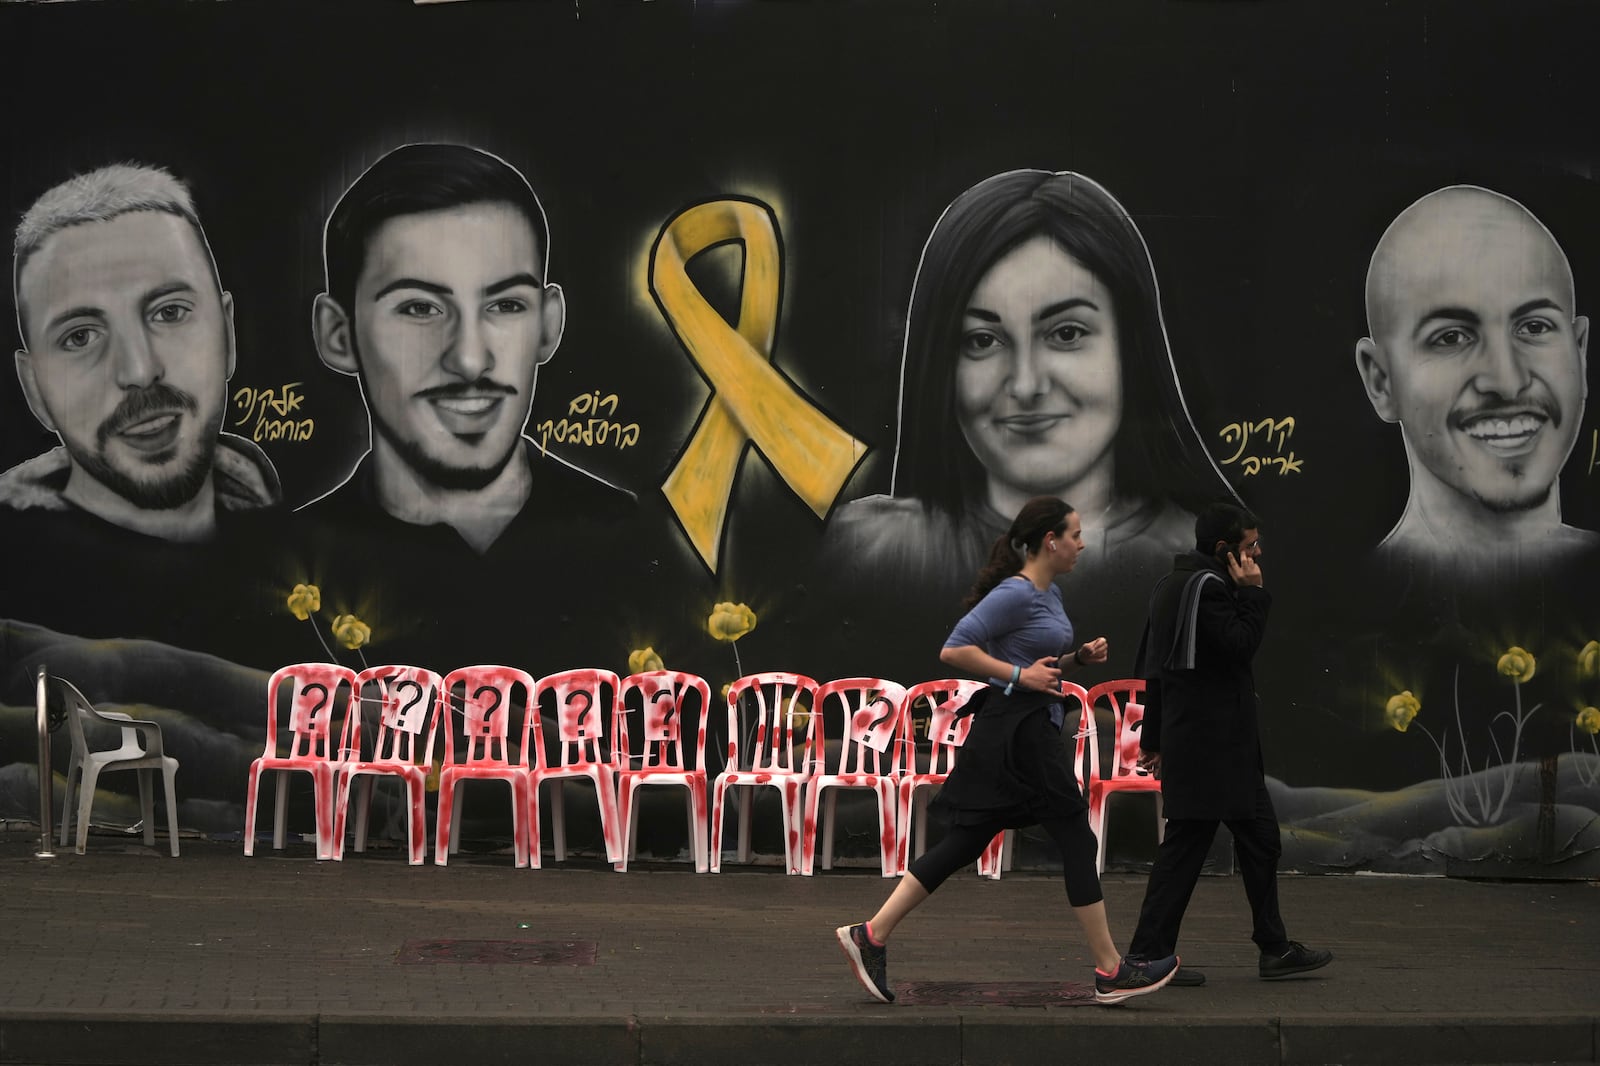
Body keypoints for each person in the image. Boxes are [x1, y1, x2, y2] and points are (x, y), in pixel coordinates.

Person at [817, 169, 1234, 674]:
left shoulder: (1196, 557)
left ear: (1132, 349)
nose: (1026, 384)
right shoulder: (872, 553)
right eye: (982, 340)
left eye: (1066, 333)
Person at [290, 143, 647, 672]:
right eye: (419, 308)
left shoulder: (643, 551)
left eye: (505, 305)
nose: (470, 359)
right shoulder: (284, 574)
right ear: (338, 335)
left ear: (548, 325)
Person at [835, 496, 1178, 1006]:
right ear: (1050, 541)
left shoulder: (1048, 593)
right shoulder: (1014, 593)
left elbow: (1031, 660)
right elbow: (956, 648)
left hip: (1018, 729)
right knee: (1077, 841)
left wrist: (1074, 660)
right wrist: (1022, 676)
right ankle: (1111, 971)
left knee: (965, 842)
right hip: (1022, 734)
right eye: (1075, 534)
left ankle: (870, 935)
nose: (1082, 544)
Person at [1, 163, 283, 657]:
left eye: (169, 312)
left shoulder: (298, 550)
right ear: (35, 390)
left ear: (229, 334)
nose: (138, 370)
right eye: (80, 337)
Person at [1125, 501, 1331, 985]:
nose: (1257, 555)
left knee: (1258, 840)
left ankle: (1273, 947)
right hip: (1213, 750)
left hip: (1204, 747)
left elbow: (1156, 672)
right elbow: (1239, 646)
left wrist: (1153, 738)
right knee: (1185, 852)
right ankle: (1144, 958)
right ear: (1224, 551)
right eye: (1249, 547)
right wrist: (1255, 594)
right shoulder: (1213, 590)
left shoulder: (1171, 585)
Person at [1354, 185, 1595, 580]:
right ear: (1381, 382)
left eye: (1534, 327)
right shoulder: (1346, 607)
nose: (1508, 381)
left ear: (1580, 353)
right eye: (1451, 337)